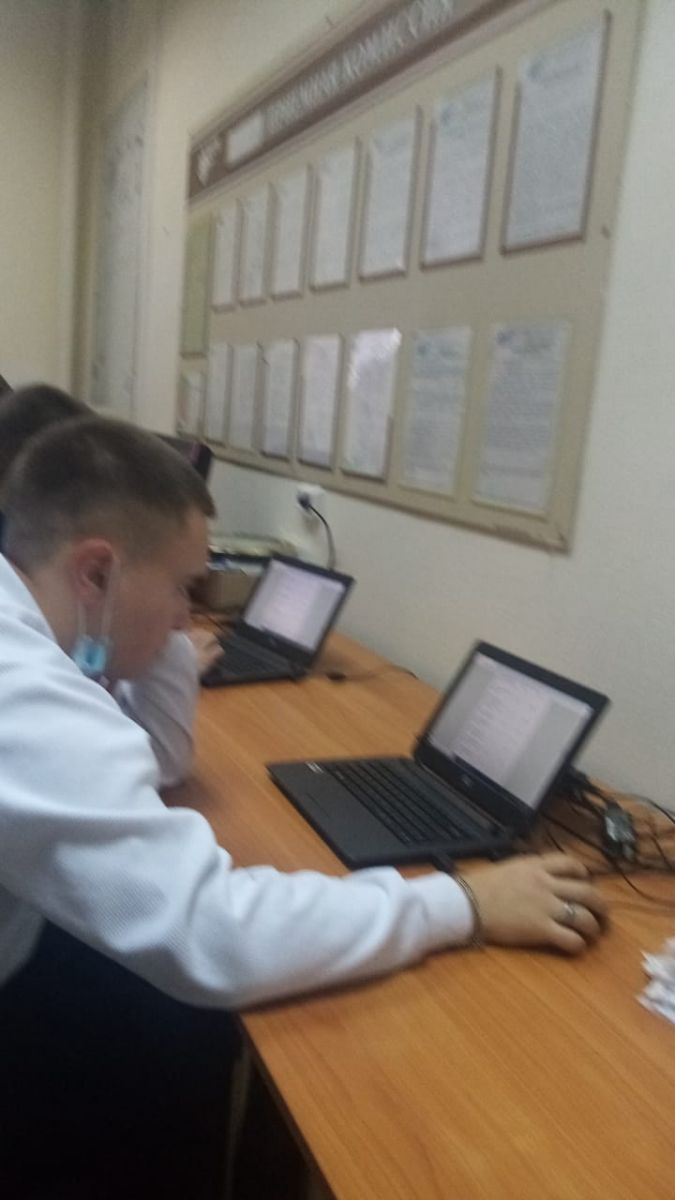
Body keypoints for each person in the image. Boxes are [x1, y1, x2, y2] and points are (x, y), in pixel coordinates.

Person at [0, 417, 607, 1196]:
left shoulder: (32, 631)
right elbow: (215, 935)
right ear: (94, 572)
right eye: (184, 586)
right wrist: (462, 903)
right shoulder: (24, 695)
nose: (188, 617)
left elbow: (157, 760)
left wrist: (139, 640)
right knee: (200, 1028)